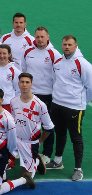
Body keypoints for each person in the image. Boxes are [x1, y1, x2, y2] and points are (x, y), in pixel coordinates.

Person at [49, 35, 92, 181]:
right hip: (57, 104)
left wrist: (81, 102)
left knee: (76, 137)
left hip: (74, 107)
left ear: (75, 46)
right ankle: (58, 160)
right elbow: (56, 80)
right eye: (64, 44)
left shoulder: (82, 64)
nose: (66, 47)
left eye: (69, 44)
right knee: (59, 133)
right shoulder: (58, 62)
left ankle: (78, 169)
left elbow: (90, 86)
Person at [21, 26, 61, 164]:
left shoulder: (54, 54)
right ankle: (25, 149)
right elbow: (23, 71)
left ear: (48, 37)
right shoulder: (27, 52)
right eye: (37, 37)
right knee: (27, 122)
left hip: (47, 94)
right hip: (30, 94)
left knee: (47, 125)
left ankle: (46, 153)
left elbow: (58, 75)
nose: (39, 39)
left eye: (42, 37)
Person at [10, 73, 54, 179]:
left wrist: (39, 142)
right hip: (16, 140)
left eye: (27, 82)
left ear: (31, 84)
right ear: (18, 84)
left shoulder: (40, 105)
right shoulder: (13, 101)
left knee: (25, 178)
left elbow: (49, 128)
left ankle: (36, 160)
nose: (24, 85)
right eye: (22, 82)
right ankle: (35, 160)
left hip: (30, 143)